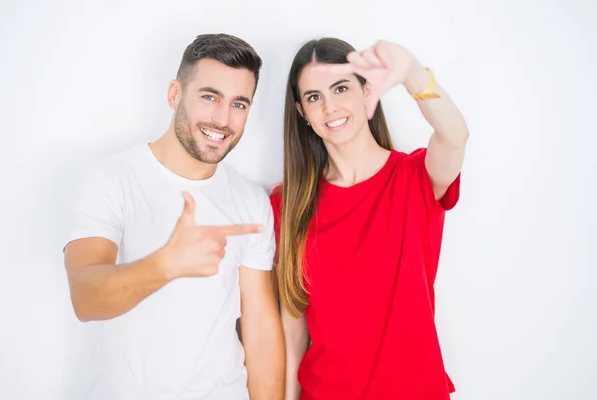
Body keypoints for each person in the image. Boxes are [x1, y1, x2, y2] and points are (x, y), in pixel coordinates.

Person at [63, 33, 285, 400]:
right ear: (174, 94)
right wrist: (166, 264)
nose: (223, 119)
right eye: (209, 96)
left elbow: (260, 328)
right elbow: (85, 298)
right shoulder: (109, 180)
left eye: (239, 104)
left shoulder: (250, 201)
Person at [271, 37, 469, 399]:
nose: (330, 107)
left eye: (341, 88)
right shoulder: (289, 204)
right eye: (314, 97)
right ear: (302, 111)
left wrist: (410, 71)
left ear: (367, 91)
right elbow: (294, 326)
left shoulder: (414, 178)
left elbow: (455, 136)